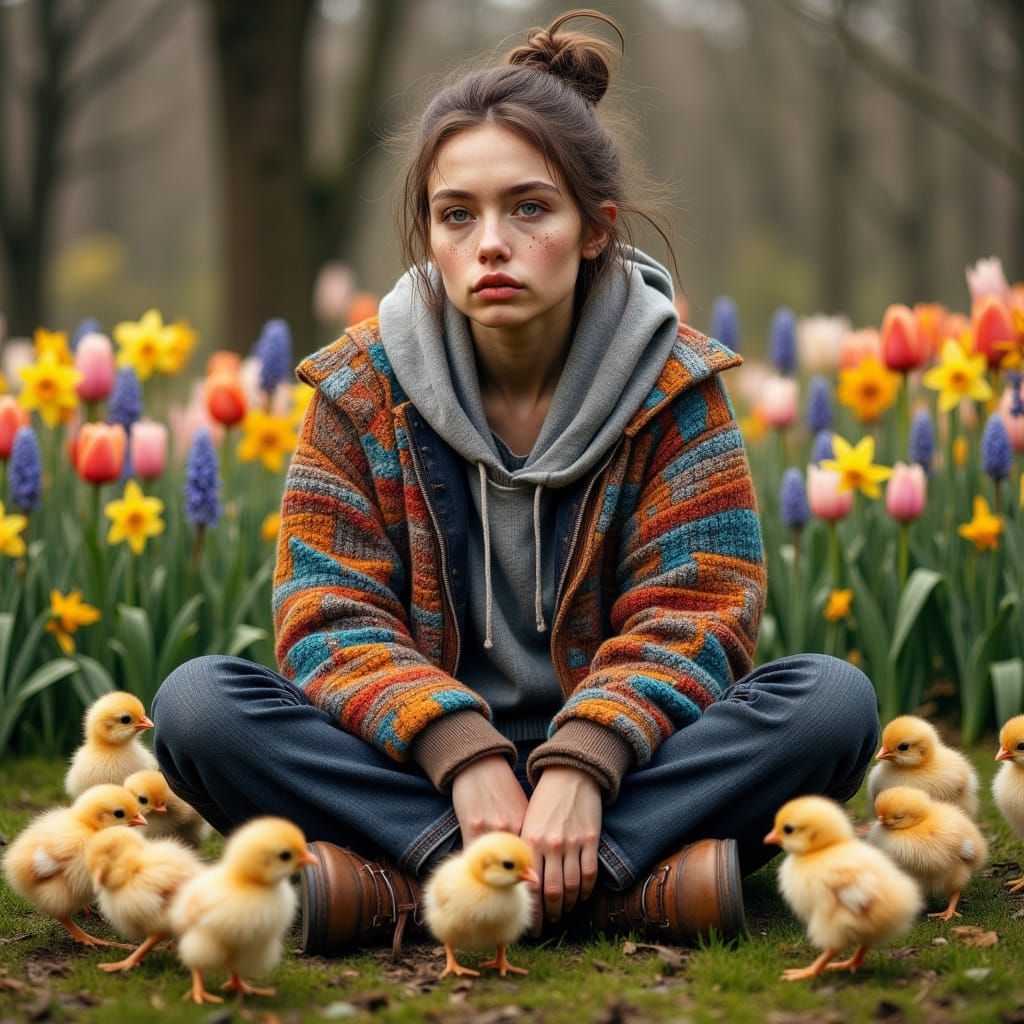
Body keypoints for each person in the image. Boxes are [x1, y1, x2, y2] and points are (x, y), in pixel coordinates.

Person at [153, 8, 878, 957]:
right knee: (199, 708)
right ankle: (630, 887)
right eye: (458, 215)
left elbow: (700, 610)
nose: (490, 242)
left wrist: (584, 761)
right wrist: (460, 754)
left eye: (529, 208)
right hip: (417, 762)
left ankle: (405, 887)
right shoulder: (359, 390)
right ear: (430, 236)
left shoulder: (674, 392)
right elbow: (326, 613)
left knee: (830, 703)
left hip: (634, 760)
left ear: (593, 230)